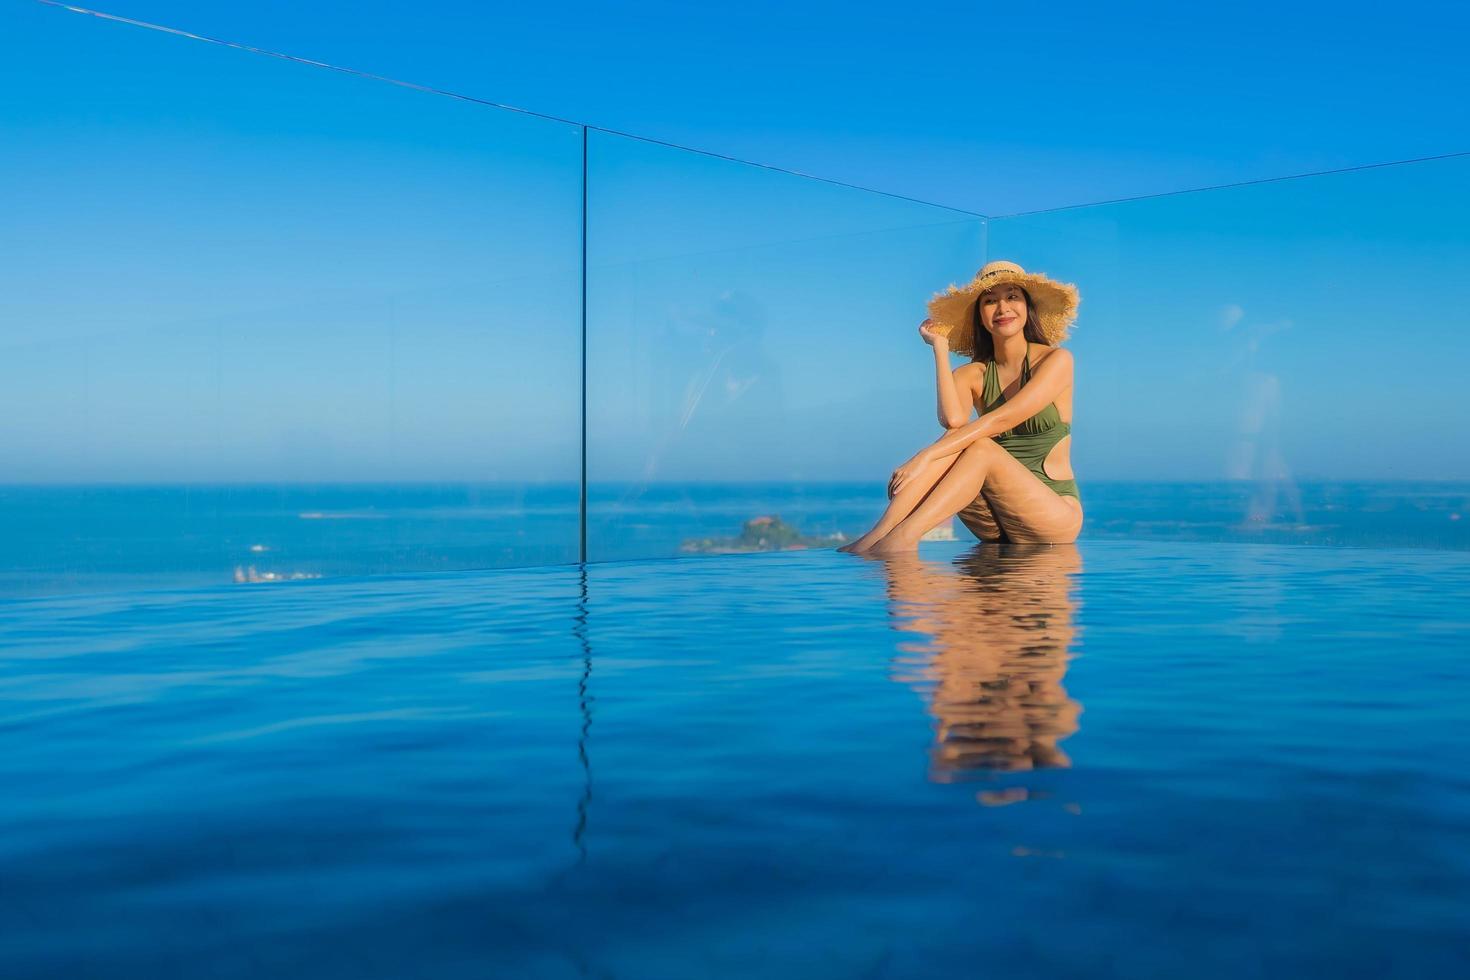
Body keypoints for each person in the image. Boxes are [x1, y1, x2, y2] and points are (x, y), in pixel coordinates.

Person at [839, 260, 1084, 554]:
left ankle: (902, 539)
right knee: (957, 440)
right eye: (990, 301)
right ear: (979, 315)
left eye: (1012, 297)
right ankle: (879, 534)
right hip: (995, 519)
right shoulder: (975, 374)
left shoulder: (1056, 361)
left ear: (1027, 307)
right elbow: (953, 421)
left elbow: (1002, 419)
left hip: (1052, 517)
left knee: (979, 446)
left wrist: (924, 457)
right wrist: (940, 348)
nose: (1002, 308)